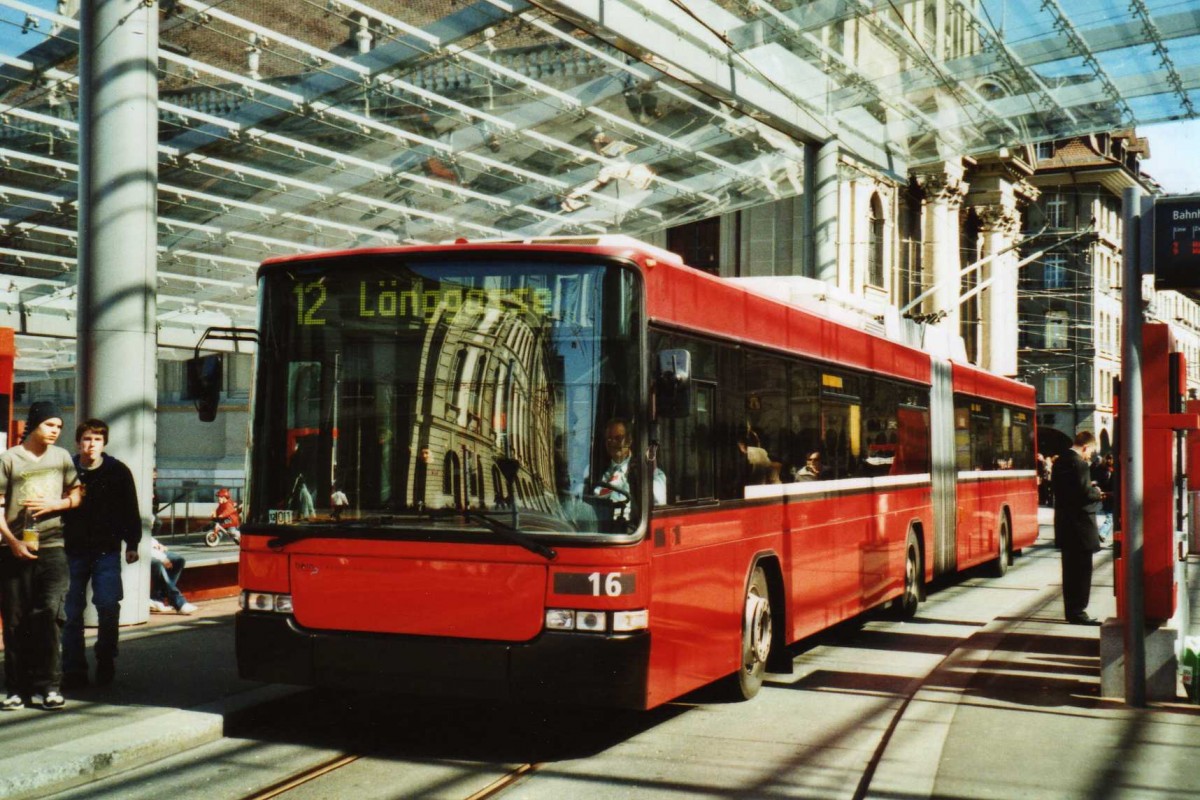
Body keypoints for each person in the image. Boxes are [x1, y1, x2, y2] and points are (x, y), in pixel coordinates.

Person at [0, 401, 81, 710]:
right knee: (16, 620)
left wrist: (55, 506)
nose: (55, 431)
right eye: (50, 425)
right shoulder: (9, 459)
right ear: (34, 424)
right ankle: (17, 688)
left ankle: (49, 686)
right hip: (14, 550)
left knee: (50, 614)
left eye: (59, 427)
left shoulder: (61, 458)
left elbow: (76, 494)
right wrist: (12, 542)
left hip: (52, 548)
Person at [62, 419, 142, 690]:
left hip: (106, 551)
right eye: (86, 439)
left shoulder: (117, 471)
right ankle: (73, 669)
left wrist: (132, 543)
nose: (91, 444)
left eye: (96, 439)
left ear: (104, 443)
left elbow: (130, 509)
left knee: (108, 605)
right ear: (78, 442)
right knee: (71, 612)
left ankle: (106, 656)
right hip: (72, 551)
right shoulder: (68, 469)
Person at [1052, 431, 1104, 625]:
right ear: (1085, 447)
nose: (1089, 456)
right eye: (1089, 451)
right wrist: (1096, 492)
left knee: (1069, 572)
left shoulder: (1059, 461)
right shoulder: (1080, 464)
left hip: (1066, 526)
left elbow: (1065, 491)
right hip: (1082, 527)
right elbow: (1084, 493)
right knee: (1082, 572)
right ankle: (1079, 612)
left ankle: (1071, 611)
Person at [593, 418, 666, 520]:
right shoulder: (596, 469)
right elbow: (595, 497)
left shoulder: (644, 469)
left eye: (618, 438)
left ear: (629, 440)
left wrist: (639, 481)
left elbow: (660, 501)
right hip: (602, 527)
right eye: (609, 439)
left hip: (630, 529)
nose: (613, 443)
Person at [148, 537, 197, 614]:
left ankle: (157, 598)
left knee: (178, 560)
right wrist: (162, 557)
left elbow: (146, 535)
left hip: (151, 550)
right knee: (158, 564)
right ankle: (179, 602)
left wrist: (156, 544)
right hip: (137, 553)